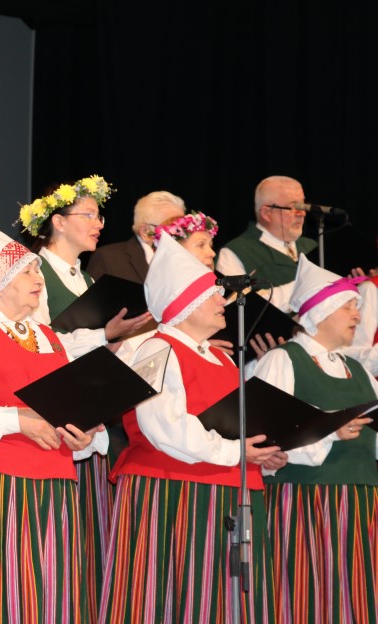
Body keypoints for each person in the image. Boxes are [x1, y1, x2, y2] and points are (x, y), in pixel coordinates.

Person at [0, 213, 109, 621]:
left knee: (51, 597)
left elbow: (64, 408)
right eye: (27, 270)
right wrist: (17, 420)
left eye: (37, 269)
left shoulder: (46, 336)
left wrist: (82, 434)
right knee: (0, 595)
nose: (39, 277)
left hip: (56, 488)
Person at [101, 236, 282, 622]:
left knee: (224, 599)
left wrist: (261, 454)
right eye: (212, 293)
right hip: (176, 489)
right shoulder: (154, 349)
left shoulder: (221, 358)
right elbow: (162, 425)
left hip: (227, 488)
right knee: (175, 592)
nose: (223, 301)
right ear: (184, 303)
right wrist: (235, 451)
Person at [18, 177, 152, 618]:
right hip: (55, 412)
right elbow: (36, 343)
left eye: (100, 215)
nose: (99, 223)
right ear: (58, 222)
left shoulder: (86, 277)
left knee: (86, 540)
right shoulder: (35, 273)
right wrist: (102, 335)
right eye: (89, 215)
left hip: (90, 414)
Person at [254, 256, 378, 623]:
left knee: (357, 594)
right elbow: (265, 436)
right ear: (321, 313)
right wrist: (330, 433)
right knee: (308, 592)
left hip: (362, 498)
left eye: (357, 307)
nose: (357, 315)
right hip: (308, 498)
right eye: (348, 307)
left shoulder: (356, 368)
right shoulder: (283, 360)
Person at [217, 175, 316, 312]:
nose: (302, 213)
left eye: (303, 205)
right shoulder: (234, 253)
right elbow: (237, 311)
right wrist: (304, 287)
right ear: (266, 213)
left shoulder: (313, 246)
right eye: (293, 207)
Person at [86, 190, 186, 283]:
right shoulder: (108, 258)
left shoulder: (186, 259)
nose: (182, 233)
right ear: (145, 231)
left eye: (184, 225)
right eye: (172, 227)